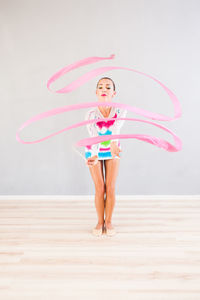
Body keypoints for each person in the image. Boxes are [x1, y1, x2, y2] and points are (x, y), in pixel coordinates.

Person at [85, 77, 127, 236]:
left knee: (110, 187)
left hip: (113, 149)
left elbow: (116, 127)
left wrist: (114, 144)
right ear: (96, 92)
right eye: (100, 87)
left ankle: (108, 222)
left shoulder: (121, 110)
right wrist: (94, 155)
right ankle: (99, 222)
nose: (104, 89)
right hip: (94, 149)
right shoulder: (90, 113)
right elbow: (93, 135)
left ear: (113, 93)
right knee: (99, 188)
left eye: (108, 87)